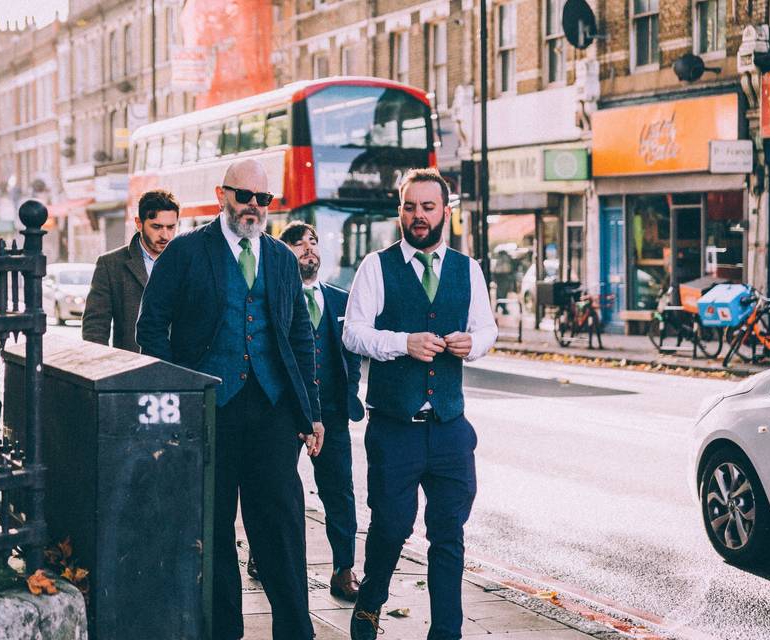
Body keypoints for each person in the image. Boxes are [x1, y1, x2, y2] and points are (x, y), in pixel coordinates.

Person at [135, 159, 323, 640]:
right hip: (209, 412)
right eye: (245, 197)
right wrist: (177, 394)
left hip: (272, 412)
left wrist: (310, 414)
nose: (254, 208)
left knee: (281, 528)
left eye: (264, 200)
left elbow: (300, 338)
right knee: (214, 530)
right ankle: (224, 631)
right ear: (222, 195)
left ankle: (296, 631)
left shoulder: (281, 259)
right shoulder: (187, 252)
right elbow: (151, 326)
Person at [343, 168, 498, 640]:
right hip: (395, 427)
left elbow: (487, 329)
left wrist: (473, 343)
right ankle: (371, 602)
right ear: (400, 211)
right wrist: (402, 342)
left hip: (450, 426)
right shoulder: (376, 265)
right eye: (410, 207)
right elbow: (353, 332)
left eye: (428, 208)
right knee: (390, 528)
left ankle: (446, 632)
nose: (418, 216)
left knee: (449, 534)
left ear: (445, 213)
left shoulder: (467, 269)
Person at [277, 220, 364, 601]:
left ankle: (344, 570)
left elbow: (352, 352)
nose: (308, 248)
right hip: (285, 410)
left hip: (332, 411)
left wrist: (349, 390)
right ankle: (267, 557)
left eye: (312, 241)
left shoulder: (341, 299)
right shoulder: (275, 296)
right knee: (278, 489)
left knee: (339, 492)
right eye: (298, 243)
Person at [82, 190, 179, 352]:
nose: (165, 235)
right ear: (139, 223)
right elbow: (95, 328)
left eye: (171, 227)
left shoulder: (188, 261)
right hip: (131, 369)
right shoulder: (110, 264)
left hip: (180, 370)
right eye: (156, 226)